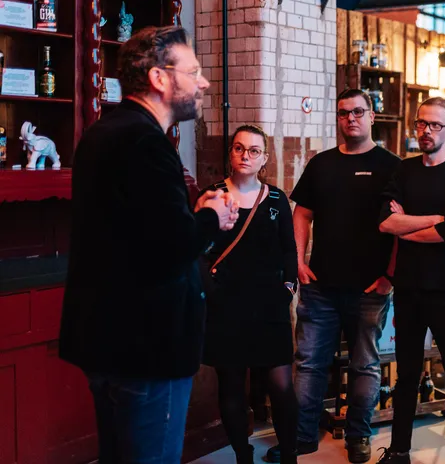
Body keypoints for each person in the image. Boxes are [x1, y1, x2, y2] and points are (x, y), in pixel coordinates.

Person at [59, 26, 238, 463]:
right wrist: (214, 216)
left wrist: (192, 212)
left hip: (105, 339)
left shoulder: (105, 132)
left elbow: (134, 232)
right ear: (160, 78)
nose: (204, 82)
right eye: (193, 72)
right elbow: (172, 247)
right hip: (145, 345)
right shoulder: (145, 142)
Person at [267, 89, 399, 464]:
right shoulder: (322, 164)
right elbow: (302, 214)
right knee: (308, 362)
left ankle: (359, 435)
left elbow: (400, 225)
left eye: (358, 112)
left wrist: (390, 275)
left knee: (365, 365)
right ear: (337, 118)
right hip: (320, 286)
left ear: (372, 116)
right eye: (343, 113)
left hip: (370, 288)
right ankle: (302, 437)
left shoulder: (392, 167)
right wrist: (297, 261)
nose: (350, 119)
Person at [376, 97, 445, 464]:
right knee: (406, 374)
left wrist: (409, 226)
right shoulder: (404, 171)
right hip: (409, 287)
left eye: (435, 125)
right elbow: (387, 223)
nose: (427, 131)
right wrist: (432, 218)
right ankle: (400, 450)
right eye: (422, 123)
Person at [201, 125, 298, 464]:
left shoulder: (275, 199)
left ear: (264, 159)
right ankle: (243, 455)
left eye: (254, 151)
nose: (245, 156)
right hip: (225, 305)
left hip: (269, 304)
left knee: (282, 387)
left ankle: (290, 454)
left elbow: (289, 249)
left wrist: (288, 286)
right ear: (230, 153)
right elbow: (198, 249)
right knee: (230, 386)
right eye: (239, 148)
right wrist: (210, 292)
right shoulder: (212, 195)